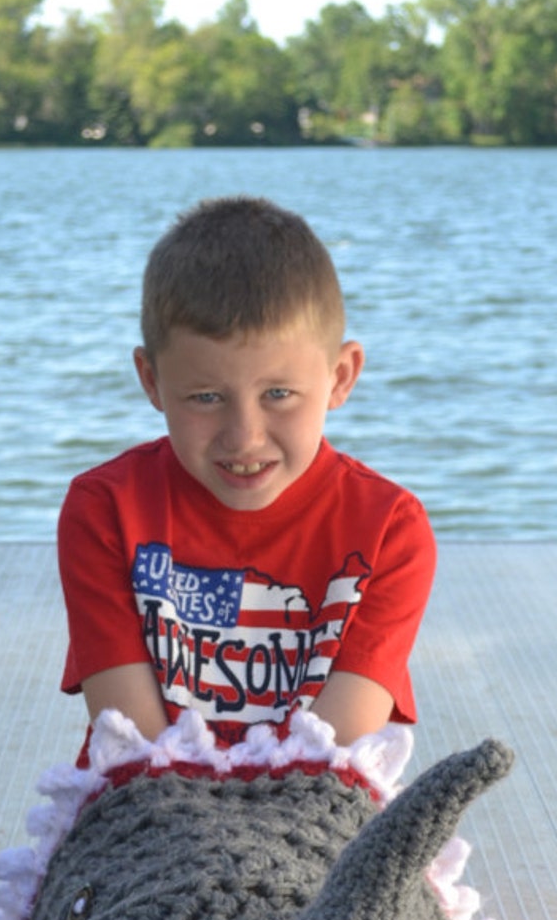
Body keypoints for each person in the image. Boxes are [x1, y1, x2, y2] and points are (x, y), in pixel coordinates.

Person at [58, 195, 436, 751]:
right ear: (151, 380)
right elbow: (132, 741)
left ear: (340, 376)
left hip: (316, 813)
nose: (245, 436)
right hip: (151, 811)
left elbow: (333, 753)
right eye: (206, 397)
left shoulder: (389, 531)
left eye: (278, 394)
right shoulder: (106, 511)